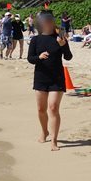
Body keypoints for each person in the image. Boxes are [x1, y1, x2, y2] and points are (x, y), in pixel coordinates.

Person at [27, 11, 73, 151]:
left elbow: (68, 57)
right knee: (41, 109)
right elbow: (30, 59)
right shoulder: (36, 40)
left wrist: (63, 44)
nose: (47, 24)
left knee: (53, 107)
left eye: (49, 21)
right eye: (44, 22)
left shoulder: (60, 36)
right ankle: (44, 131)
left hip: (57, 78)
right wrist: (39, 57)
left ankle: (54, 140)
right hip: (41, 77)